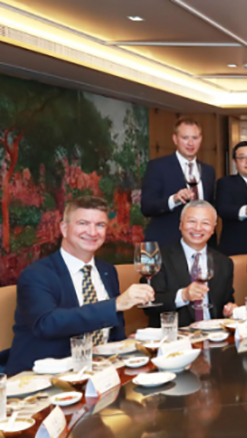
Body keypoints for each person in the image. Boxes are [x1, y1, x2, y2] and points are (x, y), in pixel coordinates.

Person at [7, 197, 154, 374]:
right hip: (42, 376)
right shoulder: (37, 274)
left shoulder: (107, 270)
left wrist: (124, 344)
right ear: (64, 228)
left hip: (100, 369)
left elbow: (113, 327)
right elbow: (46, 324)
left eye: (100, 225)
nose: (92, 232)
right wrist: (115, 304)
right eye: (83, 223)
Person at [146, 200, 235, 327]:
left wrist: (230, 309)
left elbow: (226, 302)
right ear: (181, 224)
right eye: (192, 221)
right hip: (176, 334)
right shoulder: (158, 258)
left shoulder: (224, 263)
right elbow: (150, 305)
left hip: (214, 333)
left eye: (205, 223)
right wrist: (183, 295)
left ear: (213, 228)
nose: (198, 228)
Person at [141, 118, 216, 246]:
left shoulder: (208, 171)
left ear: (201, 139)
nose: (190, 143)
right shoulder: (158, 166)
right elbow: (146, 207)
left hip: (200, 244)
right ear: (175, 139)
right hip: (165, 244)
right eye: (185, 138)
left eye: (195, 138)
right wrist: (174, 200)